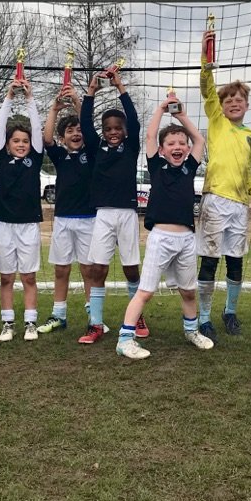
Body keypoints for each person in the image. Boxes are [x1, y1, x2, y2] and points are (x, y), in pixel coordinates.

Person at [116, 98, 214, 359]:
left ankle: (191, 331)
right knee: (146, 292)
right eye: (171, 144)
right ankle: (125, 339)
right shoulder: (157, 166)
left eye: (182, 143)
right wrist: (161, 109)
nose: (178, 147)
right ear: (161, 150)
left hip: (187, 240)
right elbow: (149, 135)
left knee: (188, 291)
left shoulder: (189, 168)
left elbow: (200, 141)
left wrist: (181, 116)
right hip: (161, 238)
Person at [196, 29, 251, 342]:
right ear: (221, 106)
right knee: (210, 260)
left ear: (247, 105)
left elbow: (248, 172)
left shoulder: (249, 135)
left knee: (235, 261)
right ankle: (204, 317)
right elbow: (208, 90)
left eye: (240, 100)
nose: (234, 103)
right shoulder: (216, 121)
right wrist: (206, 62)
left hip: (238, 206)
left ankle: (230, 312)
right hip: (215, 201)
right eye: (229, 100)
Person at [78, 69, 144, 344]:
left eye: (118, 128)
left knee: (131, 268)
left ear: (125, 131)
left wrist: (120, 86)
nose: (114, 132)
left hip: (127, 214)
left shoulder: (131, 148)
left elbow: (136, 122)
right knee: (97, 269)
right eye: (108, 129)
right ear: (103, 132)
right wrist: (91, 91)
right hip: (103, 215)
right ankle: (95, 324)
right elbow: (84, 123)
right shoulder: (96, 147)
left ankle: (137, 316)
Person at [0, 78, 43, 342]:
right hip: (5, 226)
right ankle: (8, 323)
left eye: (25, 141)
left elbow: (37, 129)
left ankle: (30, 323)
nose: (21, 144)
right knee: (7, 277)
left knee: (29, 276)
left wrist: (30, 99)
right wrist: (9, 98)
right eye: (16, 141)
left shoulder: (35, 158)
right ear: (8, 144)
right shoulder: (1, 157)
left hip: (29, 225)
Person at [39, 85, 96, 335]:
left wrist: (77, 102)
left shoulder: (92, 153)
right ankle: (58, 315)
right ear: (64, 138)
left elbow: (91, 130)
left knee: (88, 270)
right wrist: (53, 109)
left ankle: (94, 317)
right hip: (63, 220)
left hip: (89, 220)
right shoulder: (60, 156)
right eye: (70, 130)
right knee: (61, 269)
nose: (76, 133)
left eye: (79, 129)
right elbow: (47, 138)